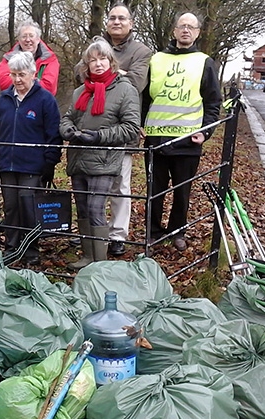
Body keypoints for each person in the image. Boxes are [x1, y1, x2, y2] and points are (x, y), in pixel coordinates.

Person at [141, 12, 222, 251]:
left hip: (188, 141)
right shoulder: (155, 60)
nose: (186, 30)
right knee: (154, 192)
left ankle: (177, 232)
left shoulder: (204, 62)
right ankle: (152, 232)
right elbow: (145, 98)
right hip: (156, 140)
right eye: (181, 26)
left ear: (197, 32)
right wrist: (140, 125)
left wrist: (206, 132)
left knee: (182, 193)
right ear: (174, 31)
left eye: (191, 27)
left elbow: (213, 103)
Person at [60, 37, 141, 270]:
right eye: (92, 60)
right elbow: (67, 118)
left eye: (102, 58)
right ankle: (87, 257)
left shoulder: (126, 90)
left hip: (105, 158)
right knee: (83, 208)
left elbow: (131, 128)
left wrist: (99, 137)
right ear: (86, 65)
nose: (98, 64)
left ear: (111, 61)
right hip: (78, 158)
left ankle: (100, 263)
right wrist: (68, 130)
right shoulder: (79, 92)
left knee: (96, 208)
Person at [0, 51, 62, 265]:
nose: (17, 80)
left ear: (32, 73)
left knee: (28, 206)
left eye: (21, 74)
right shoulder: (4, 100)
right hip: (8, 164)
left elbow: (53, 134)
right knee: (11, 207)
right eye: (13, 74)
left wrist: (50, 161)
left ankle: (31, 249)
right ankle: (12, 247)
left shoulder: (45, 99)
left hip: (33, 166)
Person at [103, 3, 153, 256]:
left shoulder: (142, 51)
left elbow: (135, 83)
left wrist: (102, 71)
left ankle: (117, 234)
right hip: (95, 125)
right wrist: (116, 72)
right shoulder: (95, 45)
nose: (117, 22)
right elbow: (82, 73)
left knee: (120, 185)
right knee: (93, 183)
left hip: (123, 126)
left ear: (131, 23)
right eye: (112, 18)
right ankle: (94, 231)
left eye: (122, 18)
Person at [0, 19, 60, 96]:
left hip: (41, 105)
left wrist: (19, 82)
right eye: (24, 36)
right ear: (18, 40)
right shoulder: (8, 59)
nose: (28, 40)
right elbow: (4, 84)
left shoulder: (50, 59)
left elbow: (49, 88)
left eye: (31, 36)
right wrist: (35, 81)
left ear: (38, 39)